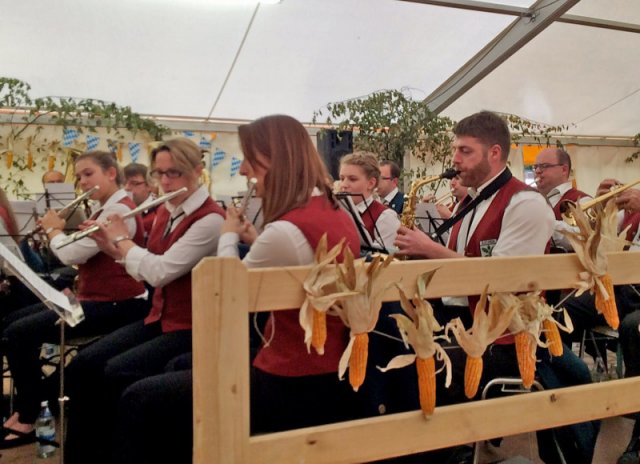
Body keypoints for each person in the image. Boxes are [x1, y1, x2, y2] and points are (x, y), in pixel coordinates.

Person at [109, 115, 361, 464]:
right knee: (175, 371)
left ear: (272, 160)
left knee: (141, 399)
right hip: (322, 363)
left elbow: (228, 296)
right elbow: (293, 261)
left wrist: (227, 234)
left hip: (294, 377)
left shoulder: (286, 230)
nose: (242, 169)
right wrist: (255, 239)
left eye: (249, 159)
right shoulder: (333, 213)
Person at [394, 111, 598, 463]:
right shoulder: (470, 201)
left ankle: (447, 450)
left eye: (465, 151)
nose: (455, 160)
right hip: (461, 321)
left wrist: (430, 250)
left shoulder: (526, 204)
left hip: (504, 337)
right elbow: (458, 268)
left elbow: (504, 281)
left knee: (418, 374)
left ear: (494, 153)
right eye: (455, 150)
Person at [62, 138, 225, 464]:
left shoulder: (211, 220)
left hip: (192, 325)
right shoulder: (168, 210)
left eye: (175, 173)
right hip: (161, 317)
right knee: (82, 365)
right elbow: (146, 269)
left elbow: (161, 272)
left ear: (197, 171)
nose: (165, 182)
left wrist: (122, 239)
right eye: (160, 173)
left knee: (116, 372)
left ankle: (116, 451)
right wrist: (109, 245)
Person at [0, 151, 150, 449]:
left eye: (88, 174)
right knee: (10, 323)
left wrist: (55, 229)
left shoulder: (118, 211)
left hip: (118, 304)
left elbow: (71, 254)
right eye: (79, 176)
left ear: (110, 173)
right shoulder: (102, 207)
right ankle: (38, 398)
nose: (82, 182)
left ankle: (29, 415)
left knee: (19, 333)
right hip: (92, 298)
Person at [339, 151, 400, 253]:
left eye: (352, 179)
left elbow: (383, 261)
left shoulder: (385, 216)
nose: (343, 185)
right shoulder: (339, 212)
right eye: (342, 178)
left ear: (371, 183)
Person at [533, 147, 591, 252]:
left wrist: (543, 222)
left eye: (544, 166)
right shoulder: (533, 198)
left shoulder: (583, 200)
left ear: (564, 170)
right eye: (535, 167)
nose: (537, 171)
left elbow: (583, 238)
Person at [123, 163, 157, 241]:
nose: (126, 188)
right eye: (124, 183)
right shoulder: (122, 207)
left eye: (134, 183)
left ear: (149, 186)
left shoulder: (159, 211)